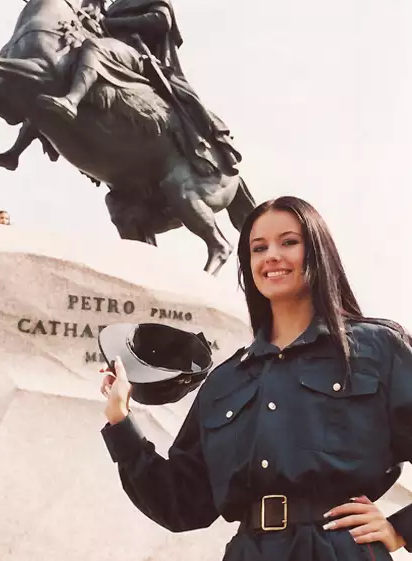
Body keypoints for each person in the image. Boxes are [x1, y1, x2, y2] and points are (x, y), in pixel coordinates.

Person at [99, 195, 412, 560]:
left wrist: (400, 530)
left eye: (289, 242)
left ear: (318, 251)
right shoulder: (226, 381)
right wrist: (120, 420)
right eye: (258, 248)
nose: (272, 256)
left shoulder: (376, 349)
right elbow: (183, 504)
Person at [38, 0, 241, 176]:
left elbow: (160, 21)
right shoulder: (115, 5)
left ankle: (72, 100)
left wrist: (111, 23)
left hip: (138, 54)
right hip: (114, 50)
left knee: (93, 48)